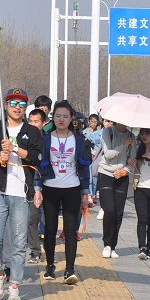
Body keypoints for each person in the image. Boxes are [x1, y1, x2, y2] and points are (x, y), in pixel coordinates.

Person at [0, 88, 42, 300]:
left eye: (22, 104)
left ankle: (14, 285)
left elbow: (36, 158)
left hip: (20, 194)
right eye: (13, 103)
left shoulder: (32, 132)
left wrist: (15, 149)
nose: (17, 108)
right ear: (6, 105)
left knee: (19, 242)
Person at [34, 100, 92, 284]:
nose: (61, 119)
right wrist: (37, 188)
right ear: (53, 117)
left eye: (65, 116)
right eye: (58, 116)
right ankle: (50, 266)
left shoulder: (78, 140)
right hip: (50, 188)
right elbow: (39, 166)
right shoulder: (46, 139)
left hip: (72, 188)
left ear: (71, 118)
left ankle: (70, 269)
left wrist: (85, 193)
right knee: (50, 229)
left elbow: (84, 168)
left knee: (70, 229)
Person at [97, 120, 135, 258]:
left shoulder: (131, 136)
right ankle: (107, 244)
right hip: (106, 173)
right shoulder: (108, 132)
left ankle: (113, 246)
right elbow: (108, 154)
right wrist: (124, 145)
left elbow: (133, 159)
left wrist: (125, 170)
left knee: (118, 213)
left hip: (121, 176)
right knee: (109, 210)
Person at [132, 128, 150, 260]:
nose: (144, 136)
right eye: (142, 133)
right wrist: (130, 160)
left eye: (148, 133)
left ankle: (149, 248)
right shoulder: (138, 149)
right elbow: (131, 163)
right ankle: (142, 247)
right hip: (140, 188)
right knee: (142, 219)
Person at [25, 108, 47, 264]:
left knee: (49, 219)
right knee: (32, 218)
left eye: (36, 121)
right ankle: (34, 250)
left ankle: (50, 248)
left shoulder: (50, 139)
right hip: (31, 184)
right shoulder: (24, 139)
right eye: (30, 121)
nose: (32, 124)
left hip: (50, 184)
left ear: (44, 123)